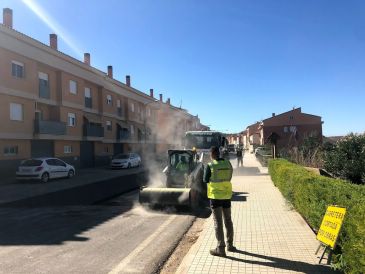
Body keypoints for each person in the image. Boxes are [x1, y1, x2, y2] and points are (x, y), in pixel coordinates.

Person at [203, 146, 236, 257]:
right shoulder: (228, 163)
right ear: (219, 153)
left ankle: (221, 249)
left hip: (215, 197)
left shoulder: (210, 165)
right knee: (228, 220)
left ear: (212, 154)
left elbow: (205, 179)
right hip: (226, 196)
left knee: (218, 222)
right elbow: (230, 176)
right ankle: (230, 245)